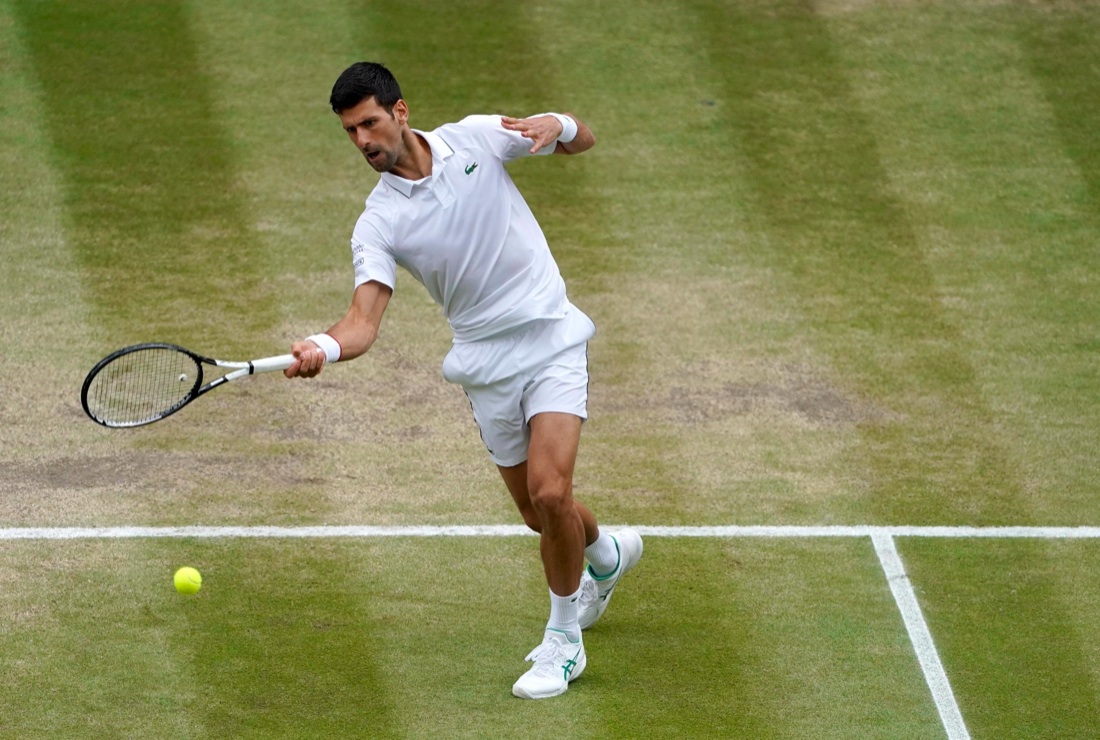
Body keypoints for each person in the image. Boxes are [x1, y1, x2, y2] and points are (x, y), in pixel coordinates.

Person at [284, 61, 642, 700]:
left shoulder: (477, 137)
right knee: (540, 515)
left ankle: (563, 642)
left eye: (369, 122)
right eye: (349, 132)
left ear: (400, 112)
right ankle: (606, 554)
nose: (363, 140)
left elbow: (581, 140)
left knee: (552, 492)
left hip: (551, 337)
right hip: (484, 366)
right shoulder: (378, 222)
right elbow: (363, 321)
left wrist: (557, 123)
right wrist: (325, 346)